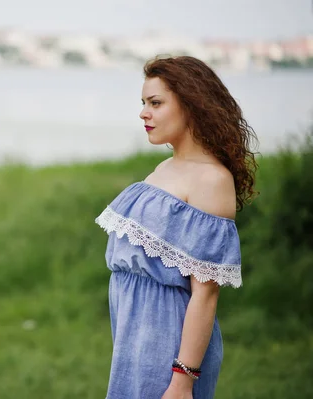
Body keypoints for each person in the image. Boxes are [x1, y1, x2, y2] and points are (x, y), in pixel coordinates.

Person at [95, 55, 258, 399]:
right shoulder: (164, 169)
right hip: (133, 338)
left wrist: (182, 380)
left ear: (192, 105)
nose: (143, 112)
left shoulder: (212, 180)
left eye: (156, 103)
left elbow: (206, 293)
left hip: (169, 347)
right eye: (143, 103)